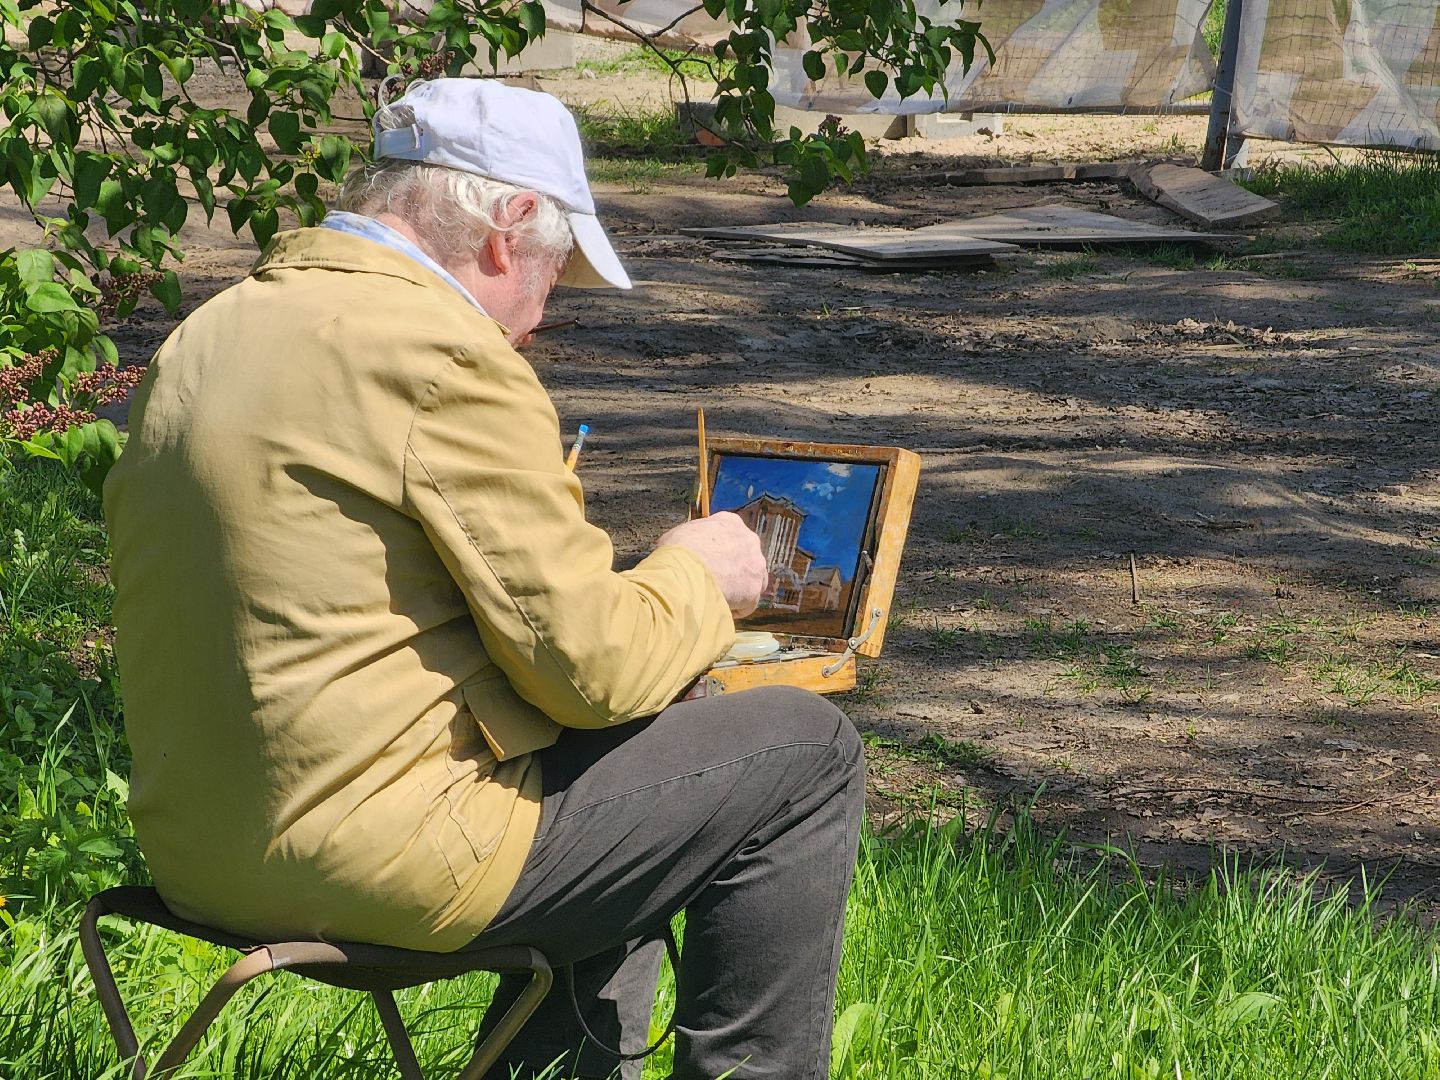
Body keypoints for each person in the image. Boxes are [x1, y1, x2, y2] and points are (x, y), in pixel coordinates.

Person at [103, 78, 864, 1080]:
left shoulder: (216, 330)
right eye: (552, 279)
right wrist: (697, 571)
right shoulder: (441, 356)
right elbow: (588, 669)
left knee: (636, 774)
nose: (538, 323)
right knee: (806, 748)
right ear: (507, 230)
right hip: (373, 865)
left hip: (200, 850)